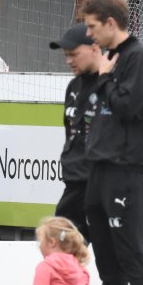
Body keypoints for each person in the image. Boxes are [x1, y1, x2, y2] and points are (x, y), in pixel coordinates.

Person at [80, 0, 143, 285]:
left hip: (124, 172)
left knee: (132, 258)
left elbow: (129, 108)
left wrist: (104, 78)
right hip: (99, 170)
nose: (89, 34)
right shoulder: (109, 59)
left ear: (111, 23)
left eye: (93, 26)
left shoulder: (139, 58)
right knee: (107, 265)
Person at [49, 23, 103, 241]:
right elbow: (69, 131)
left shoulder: (112, 85)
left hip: (101, 187)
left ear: (95, 49)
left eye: (74, 54)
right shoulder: (73, 87)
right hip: (74, 185)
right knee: (60, 250)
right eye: (66, 55)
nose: (69, 61)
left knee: (110, 255)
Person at [8, 216, 91, 285]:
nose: (39, 245)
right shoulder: (82, 270)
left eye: (40, 241)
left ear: (52, 242)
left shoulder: (46, 266)